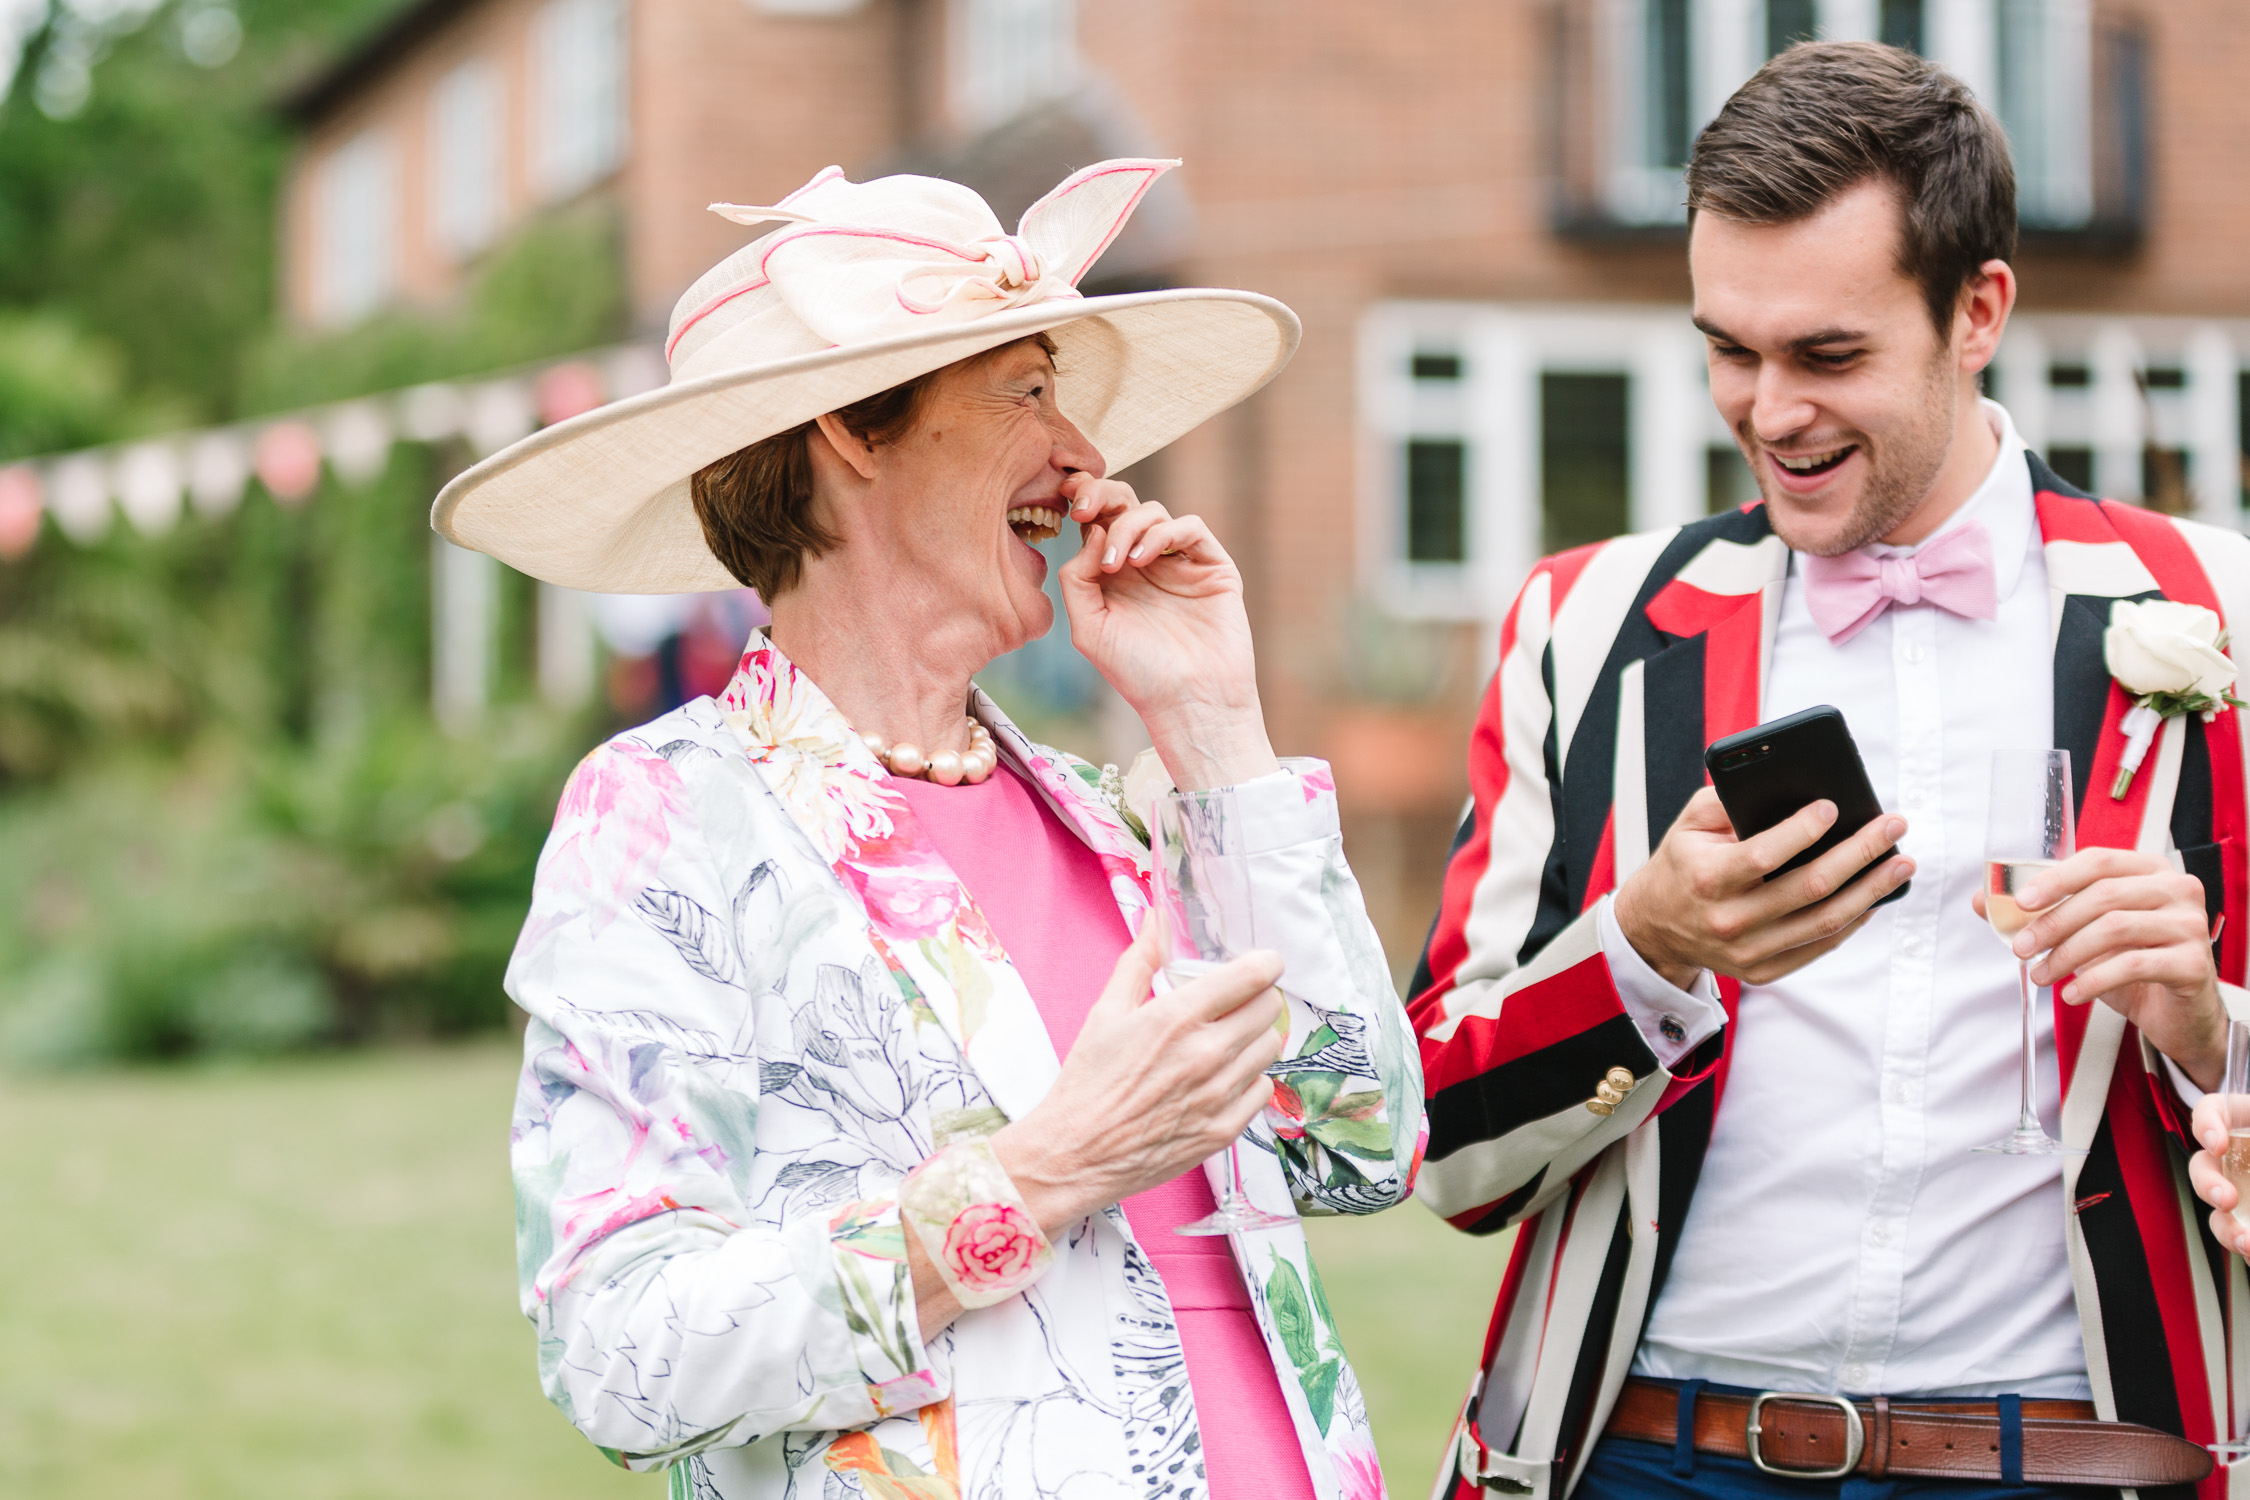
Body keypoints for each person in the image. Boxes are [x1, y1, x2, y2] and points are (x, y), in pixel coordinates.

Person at [432, 158, 1422, 1500]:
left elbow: (1356, 1145)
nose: (1082, 456)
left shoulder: (1097, 811)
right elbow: (623, 1352)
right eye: (1026, 390)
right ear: (849, 427)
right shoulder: (668, 812)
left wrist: (1212, 725)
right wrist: (1031, 1177)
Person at [1408, 43, 2247, 1500]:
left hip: (2072, 1460)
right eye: (1729, 349)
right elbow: (1448, 1150)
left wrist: (2207, 1028)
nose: (1767, 409)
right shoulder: (1582, 627)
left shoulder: (2217, 616)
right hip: (1646, 1457)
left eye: (1827, 355)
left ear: (1976, 309)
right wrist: (1645, 953)